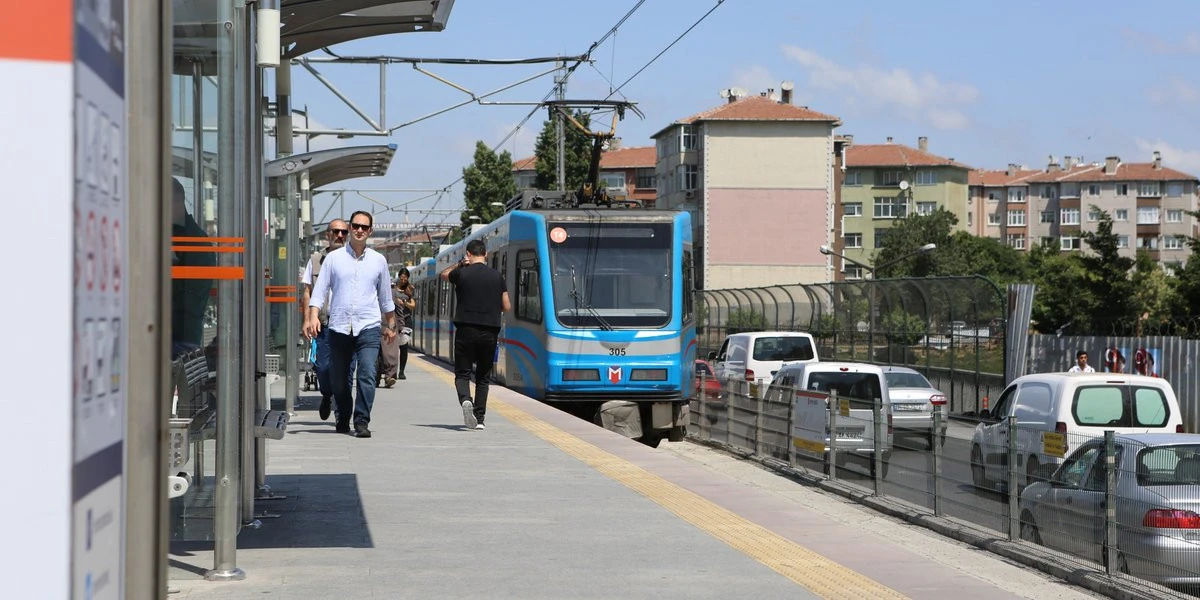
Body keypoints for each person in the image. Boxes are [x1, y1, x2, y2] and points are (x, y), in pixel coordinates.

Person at [304, 211, 395, 438]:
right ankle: (343, 414)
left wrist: (391, 323)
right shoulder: (333, 259)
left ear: (370, 231)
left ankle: (362, 420)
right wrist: (313, 315)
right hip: (339, 327)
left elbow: (385, 297)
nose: (359, 230)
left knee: (366, 372)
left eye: (364, 227)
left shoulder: (379, 261)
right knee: (339, 379)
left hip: (369, 326)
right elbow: (319, 291)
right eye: (355, 226)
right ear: (351, 227)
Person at [440, 239, 511, 430]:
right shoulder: (497, 276)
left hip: (466, 330)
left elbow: (444, 275)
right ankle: (479, 419)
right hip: (489, 331)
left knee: (462, 373)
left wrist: (461, 264)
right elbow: (507, 306)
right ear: (486, 254)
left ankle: (465, 400)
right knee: (483, 376)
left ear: (469, 254)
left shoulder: (462, 273)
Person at [300, 219, 349, 421]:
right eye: (335, 231)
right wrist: (307, 319)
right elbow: (307, 291)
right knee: (323, 367)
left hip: (347, 325)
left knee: (346, 371)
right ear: (327, 235)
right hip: (324, 324)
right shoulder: (316, 259)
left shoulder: (353, 259)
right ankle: (327, 394)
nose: (340, 235)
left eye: (343, 232)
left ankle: (341, 414)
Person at [170, 177, 214, 358]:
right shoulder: (196, 238)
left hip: (178, 339)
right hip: (186, 335)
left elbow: (183, 296)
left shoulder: (187, 241)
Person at [377, 268, 417, 387]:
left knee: (392, 353)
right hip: (375, 325)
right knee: (378, 354)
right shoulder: (371, 291)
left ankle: (392, 375)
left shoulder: (394, 292)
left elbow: (400, 310)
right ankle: (376, 376)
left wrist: (400, 326)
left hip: (391, 325)